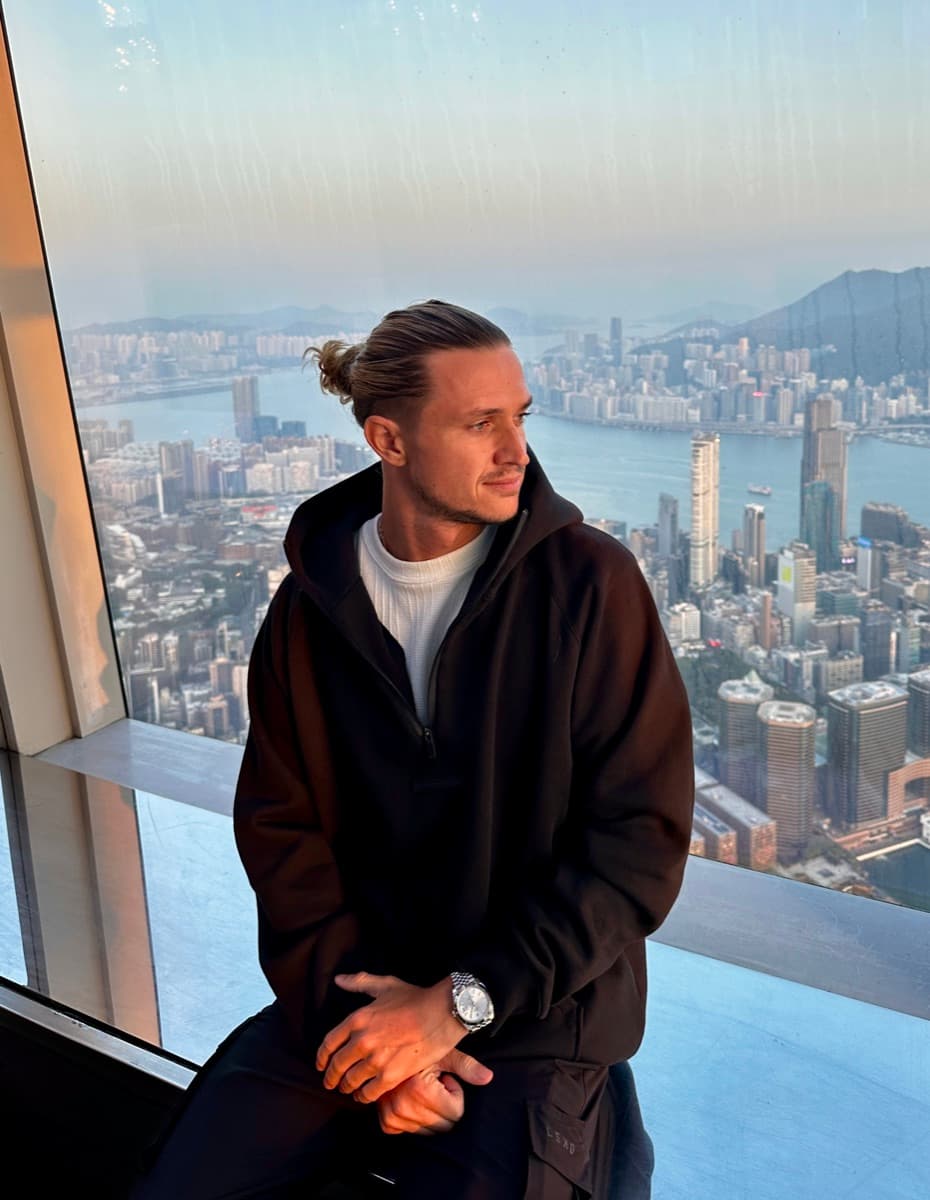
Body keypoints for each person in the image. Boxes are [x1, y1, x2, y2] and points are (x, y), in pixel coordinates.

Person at [130, 300, 694, 1199]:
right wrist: (381, 1047)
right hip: (351, 1000)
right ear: (388, 440)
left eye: (519, 417)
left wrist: (454, 1008)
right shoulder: (309, 611)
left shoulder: (591, 588)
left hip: (533, 1017)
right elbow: (282, 835)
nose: (516, 451)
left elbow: (638, 847)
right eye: (480, 424)